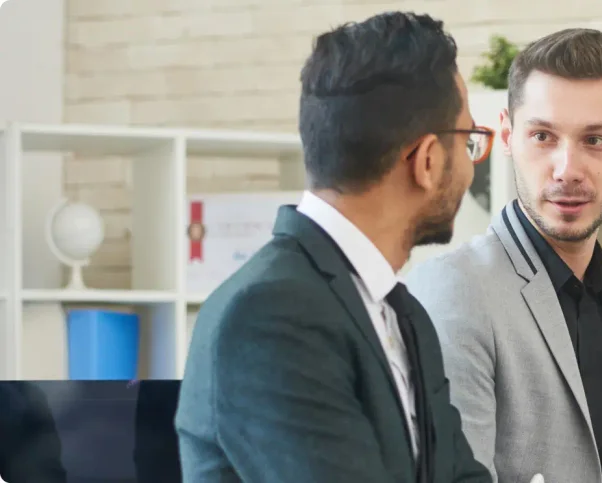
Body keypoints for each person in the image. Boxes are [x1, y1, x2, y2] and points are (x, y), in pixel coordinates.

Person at [174, 12, 537, 483]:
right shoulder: (269, 314)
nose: (471, 171)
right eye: (470, 142)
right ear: (427, 161)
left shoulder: (403, 315)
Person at [406, 28, 602, 483]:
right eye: (543, 136)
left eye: (595, 140)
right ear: (508, 136)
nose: (567, 170)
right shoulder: (455, 291)